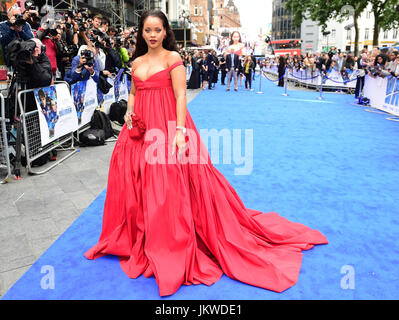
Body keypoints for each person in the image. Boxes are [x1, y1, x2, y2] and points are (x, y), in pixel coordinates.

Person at [84, 9, 328, 297]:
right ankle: (142, 233)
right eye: (147, 30)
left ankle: (171, 239)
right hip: (139, 128)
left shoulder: (172, 59)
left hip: (168, 125)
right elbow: (135, 92)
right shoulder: (136, 61)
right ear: (141, 32)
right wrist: (130, 112)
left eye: (157, 30)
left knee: (170, 183)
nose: (152, 35)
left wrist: (179, 131)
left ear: (165, 32)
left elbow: (179, 95)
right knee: (135, 179)